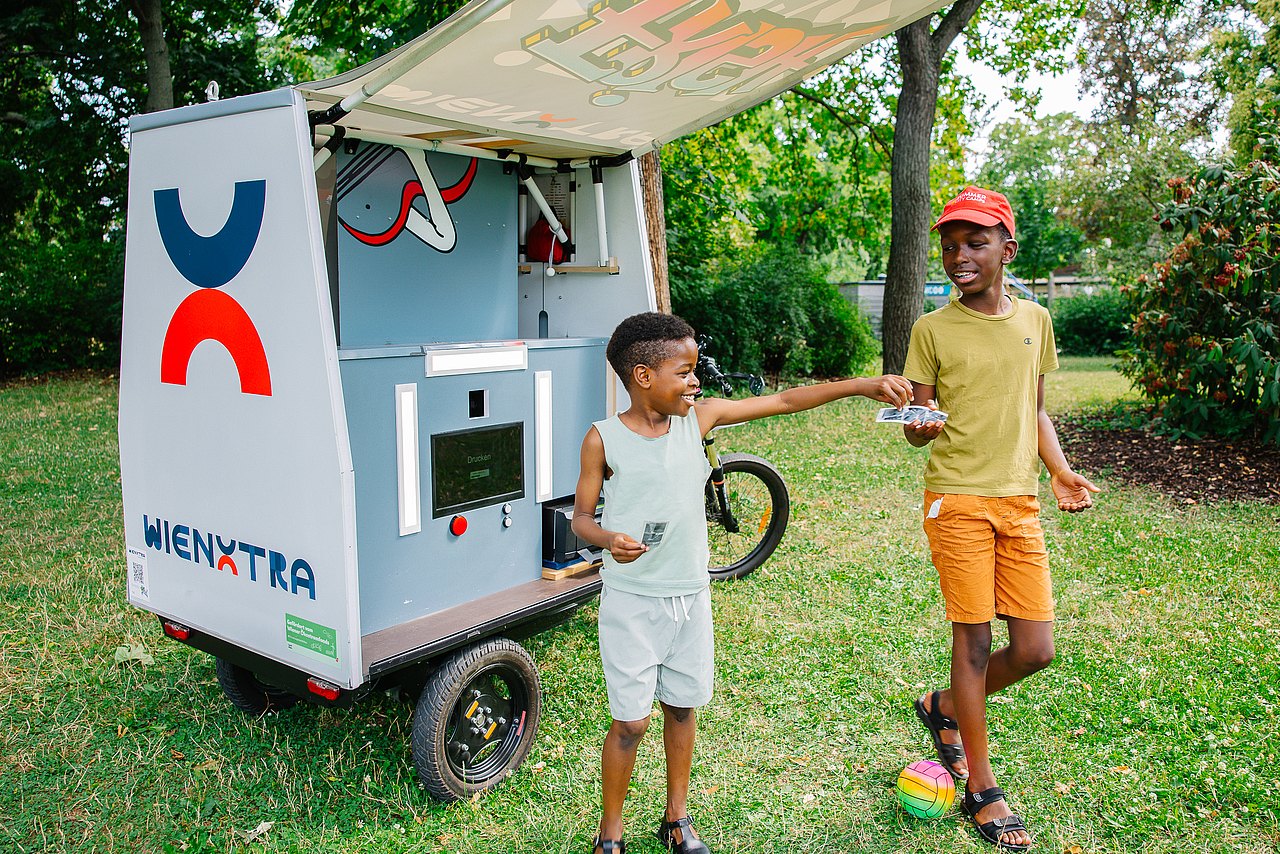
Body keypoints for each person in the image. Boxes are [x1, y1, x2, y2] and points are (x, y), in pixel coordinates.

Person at [572, 312, 913, 854]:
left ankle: (676, 819)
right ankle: (610, 832)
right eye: (683, 372)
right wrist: (607, 537)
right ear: (642, 376)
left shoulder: (698, 421)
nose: (695, 381)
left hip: (689, 596)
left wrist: (859, 386)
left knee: (682, 707)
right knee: (631, 724)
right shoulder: (603, 440)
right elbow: (580, 518)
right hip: (632, 603)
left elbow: (782, 402)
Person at [900, 187, 1100, 851]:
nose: (960, 254)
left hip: (1019, 502)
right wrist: (919, 423)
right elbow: (915, 428)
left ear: (1007, 249)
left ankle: (946, 707)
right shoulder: (931, 329)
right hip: (955, 497)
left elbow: (1034, 407)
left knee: (1037, 648)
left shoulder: (1035, 321)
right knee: (975, 641)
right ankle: (982, 787)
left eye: (976, 242)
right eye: (951, 244)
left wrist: (1059, 470)